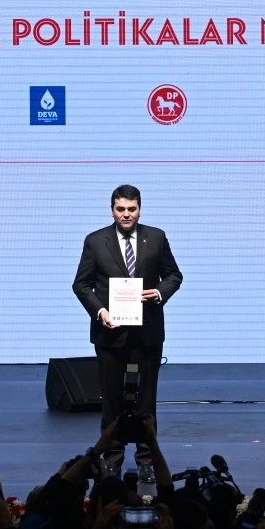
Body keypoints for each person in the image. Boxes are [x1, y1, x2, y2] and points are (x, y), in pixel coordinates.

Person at [72, 185, 182, 482]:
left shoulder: (156, 237)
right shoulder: (95, 241)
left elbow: (174, 275)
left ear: (139, 209)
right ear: (112, 210)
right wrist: (100, 311)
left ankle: (147, 459)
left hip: (147, 331)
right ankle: (113, 457)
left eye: (131, 209)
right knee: (111, 400)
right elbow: (81, 285)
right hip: (110, 332)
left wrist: (159, 292)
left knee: (147, 399)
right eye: (120, 209)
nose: (126, 214)